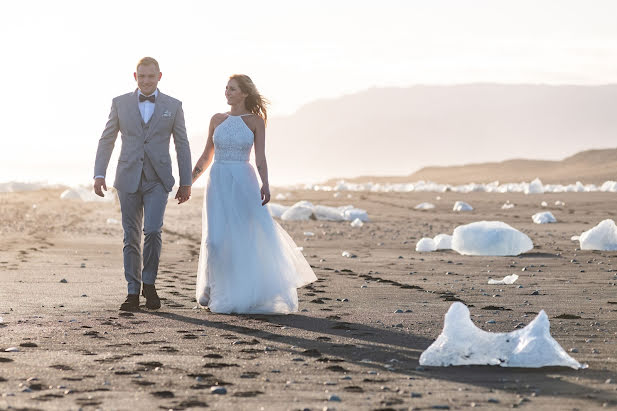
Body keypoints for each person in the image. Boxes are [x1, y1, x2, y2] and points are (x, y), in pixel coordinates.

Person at [192, 74, 316, 314]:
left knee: (244, 237)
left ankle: (244, 290)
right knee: (214, 239)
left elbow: (260, 157)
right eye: (226, 88)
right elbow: (207, 154)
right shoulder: (217, 119)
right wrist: (189, 181)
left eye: (233, 89)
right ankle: (211, 287)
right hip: (217, 180)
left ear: (245, 93)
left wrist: (266, 183)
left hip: (243, 181)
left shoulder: (255, 121)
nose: (227, 92)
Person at [93, 57, 192, 311]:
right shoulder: (120, 103)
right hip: (127, 178)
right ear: (135, 77)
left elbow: (182, 144)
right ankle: (132, 291)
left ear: (160, 76)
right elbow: (107, 140)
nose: (146, 81)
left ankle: (149, 282)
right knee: (131, 236)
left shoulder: (174, 105)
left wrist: (186, 181)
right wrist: (99, 174)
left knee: (153, 230)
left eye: (151, 76)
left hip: (158, 180)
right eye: (142, 76)